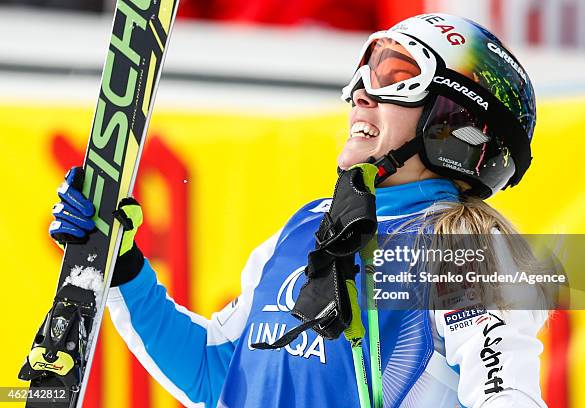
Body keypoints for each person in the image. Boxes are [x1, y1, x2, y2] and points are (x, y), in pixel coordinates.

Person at [49, 13, 549, 408]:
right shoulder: (307, 228)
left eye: (394, 77)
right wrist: (125, 269)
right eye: (363, 71)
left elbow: (506, 396)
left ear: (453, 122)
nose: (359, 93)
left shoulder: (466, 250)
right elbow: (214, 371)